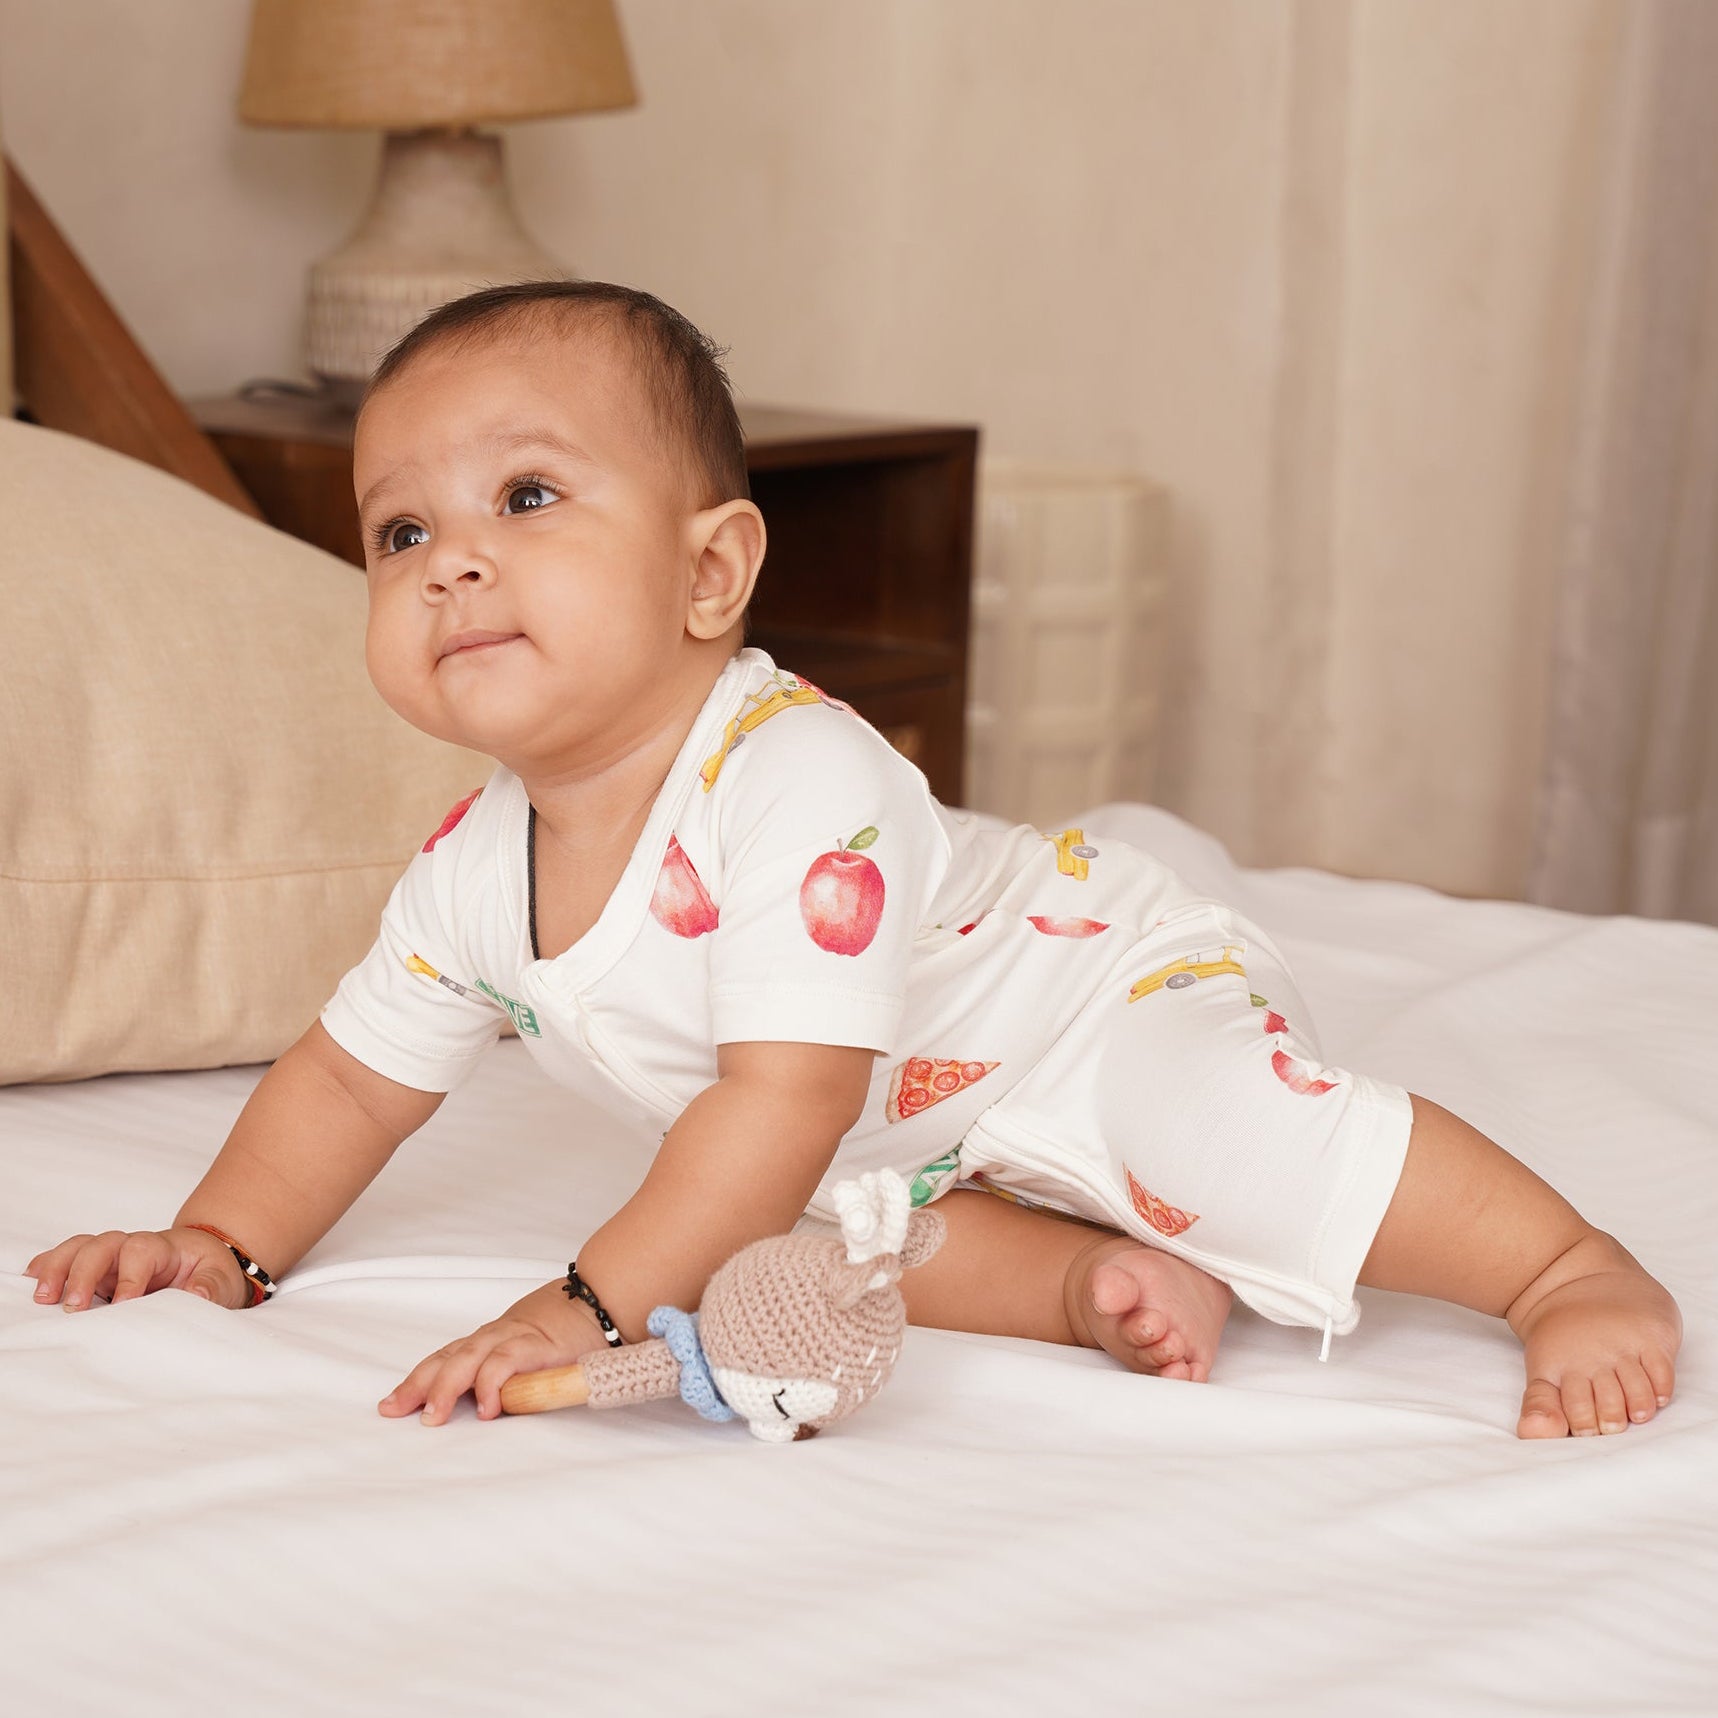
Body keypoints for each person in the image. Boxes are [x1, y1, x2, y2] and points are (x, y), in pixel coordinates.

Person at [26, 282, 1681, 1442]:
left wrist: (582, 1306)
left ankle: (1562, 1263)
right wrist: (221, 1241)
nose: (452, 560)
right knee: (811, 1249)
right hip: (902, 1128)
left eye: (525, 495)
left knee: (1209, 1131)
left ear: (708, 574)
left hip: (1089, 999)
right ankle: (1095, 1286)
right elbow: (344, 1080)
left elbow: (781, 1096)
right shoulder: (472, 868)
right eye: (402, 531)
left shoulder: (795, 774)